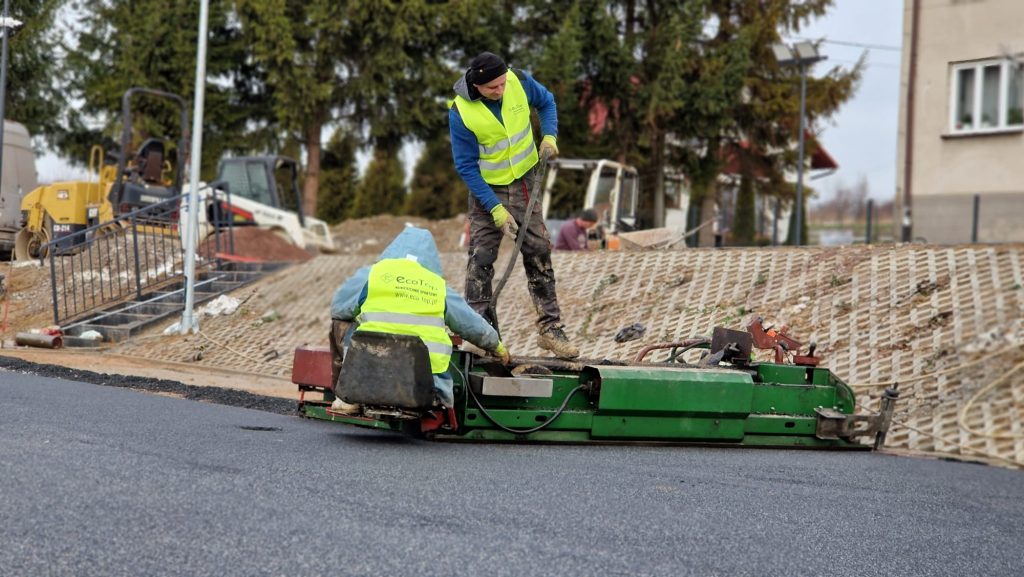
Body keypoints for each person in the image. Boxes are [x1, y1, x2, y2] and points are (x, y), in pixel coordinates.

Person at [448, 51, 579, 359]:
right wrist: (494, 208)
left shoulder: (518, 81)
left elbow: (546, 102)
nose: (501, 90)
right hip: (486, 189)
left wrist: (549, 136)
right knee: (481, 257)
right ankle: (482, 333)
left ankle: (551, 329)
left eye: (502, 82)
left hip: (524, 182)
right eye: (493, 87)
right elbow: (466, 166)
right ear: (476, 86)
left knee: (538, 251)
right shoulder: (461, 112)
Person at [328, 226, 510, 414]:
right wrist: (497, 347)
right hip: (428, 387)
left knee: (342, 323)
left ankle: (347, 396)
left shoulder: (372, 274)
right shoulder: (439, 287)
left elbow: (338, 309)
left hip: (371, 376)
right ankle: (438, 400)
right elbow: (472, 324)